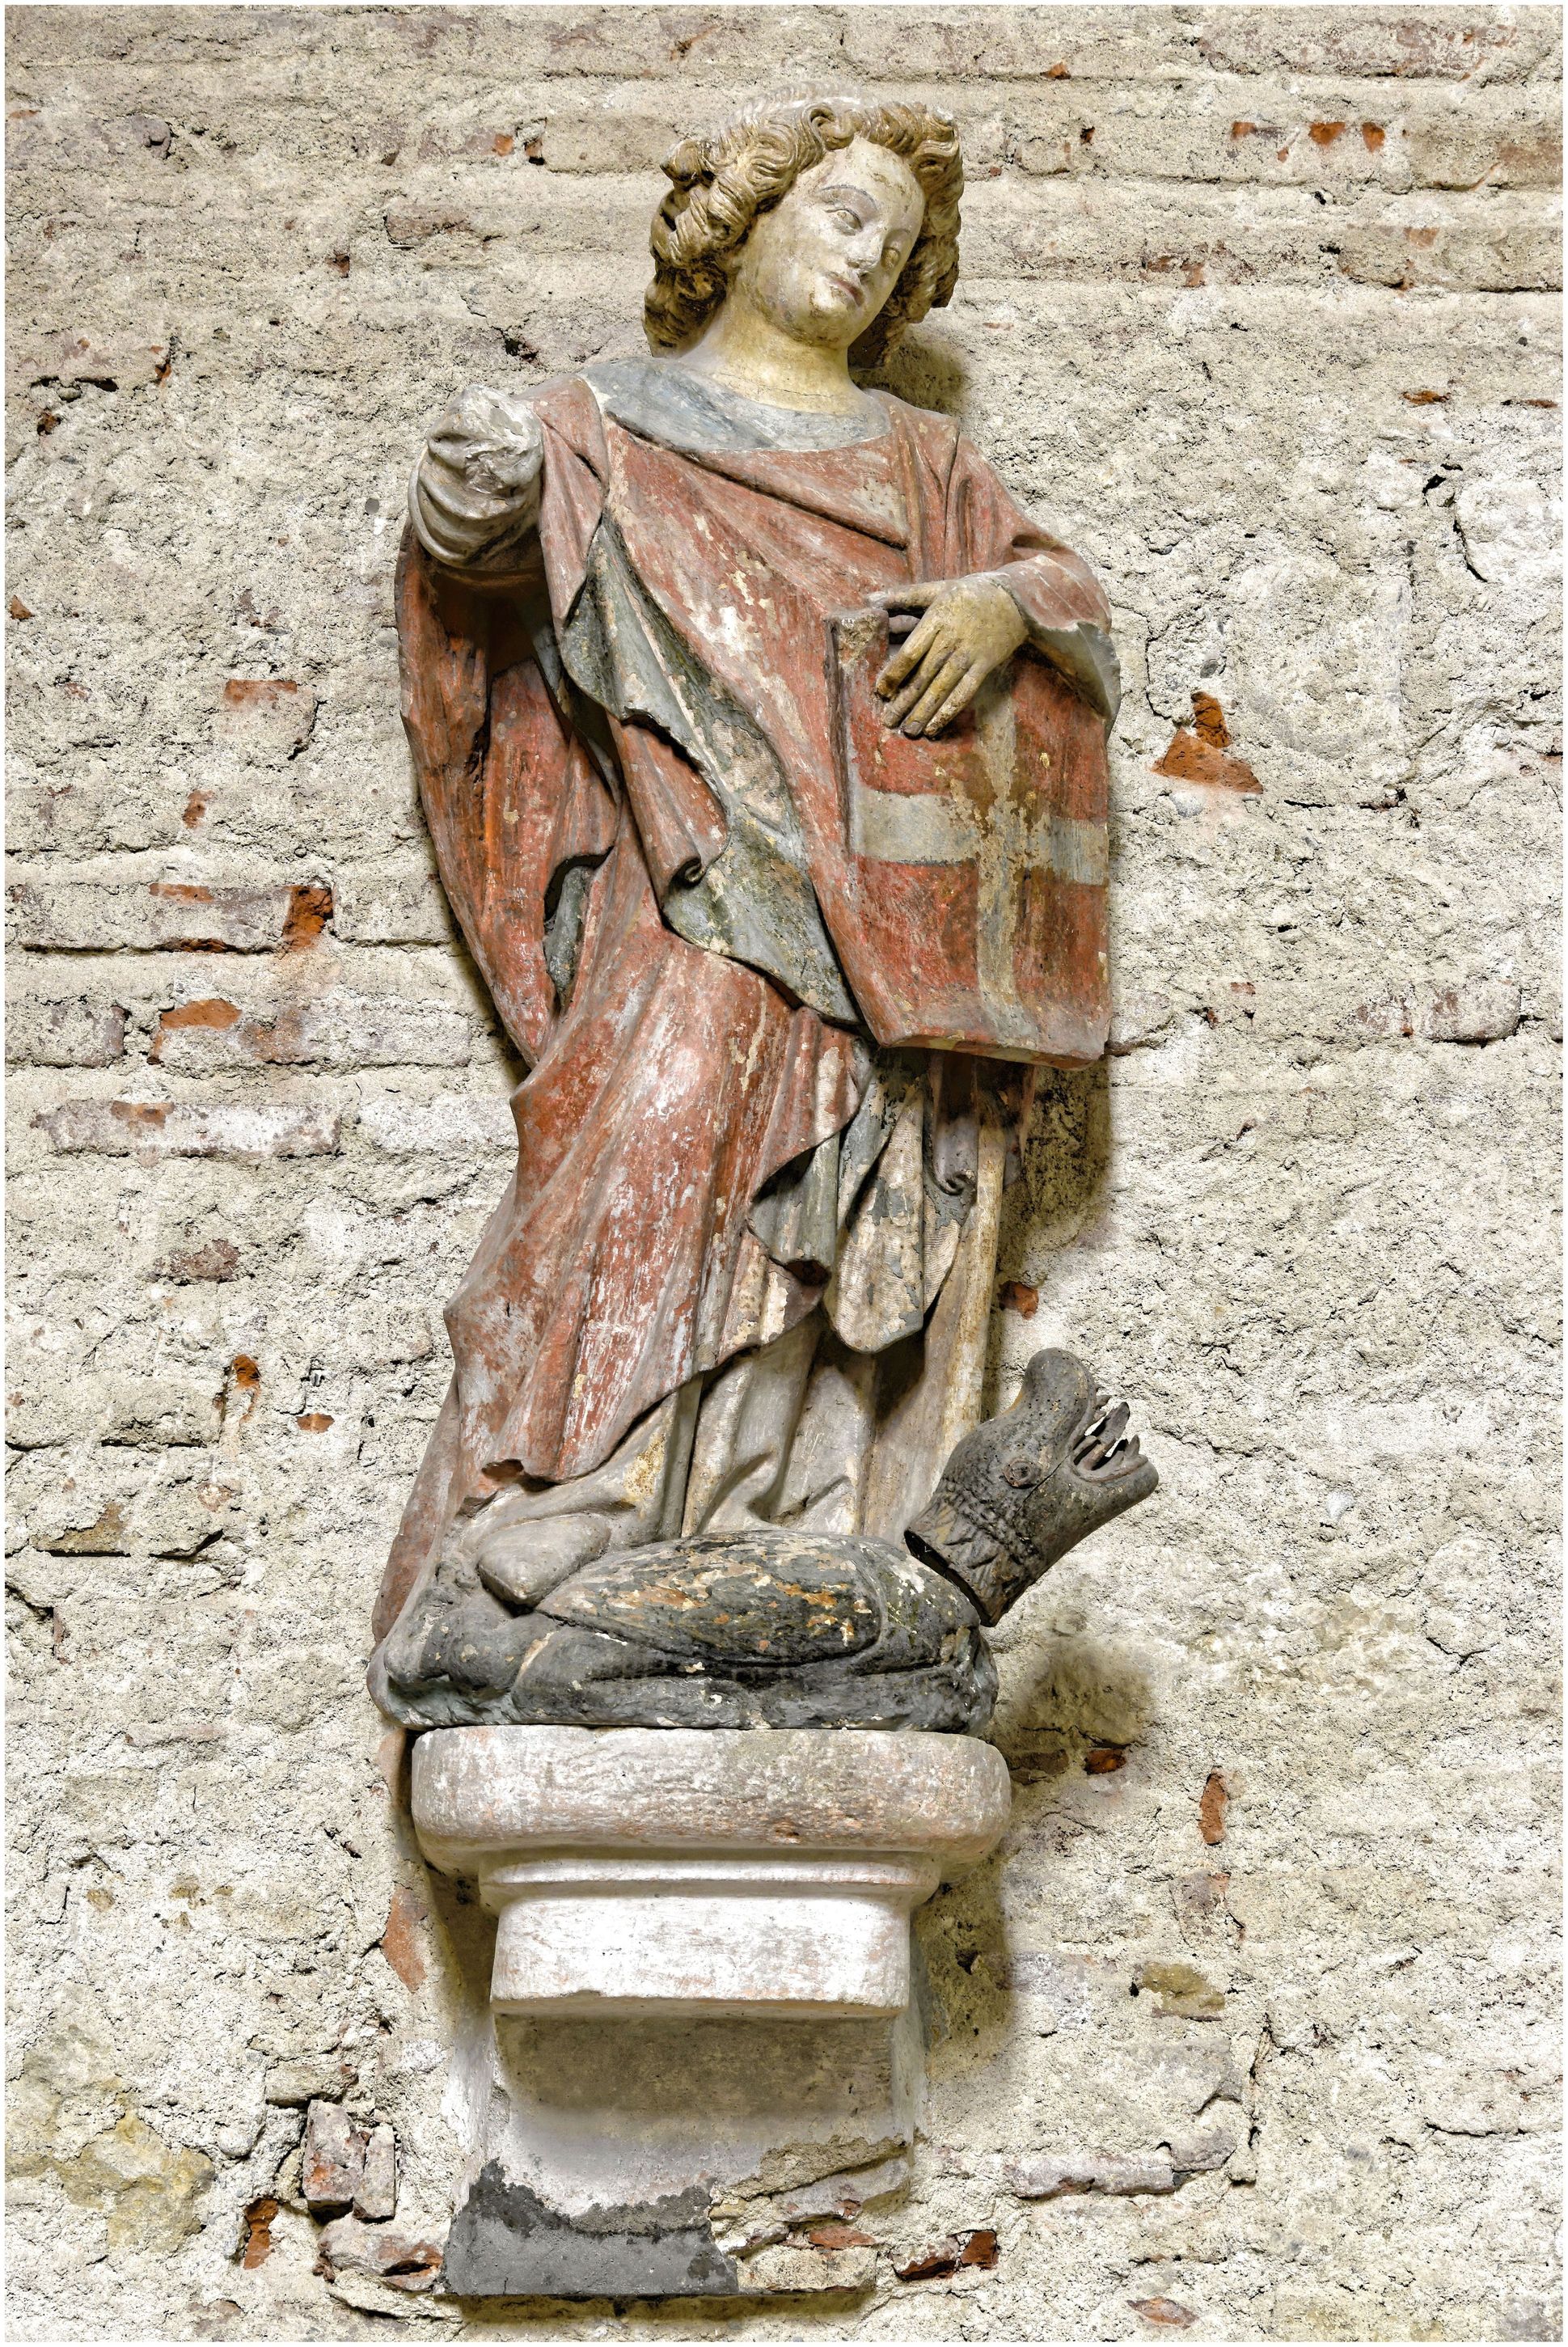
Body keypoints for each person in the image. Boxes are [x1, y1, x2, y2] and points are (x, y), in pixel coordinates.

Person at [370, 89, 1120, 1704]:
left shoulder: (922, 463)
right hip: (692, 903)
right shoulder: (599, 421)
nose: (863, 257)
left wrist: (1001, 608)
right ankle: (596, 1500)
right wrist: (476, 497)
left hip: (885, 954)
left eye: (898, 247)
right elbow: (485, 578)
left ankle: (757, 1528)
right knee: (649, 1145)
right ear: (748, 214)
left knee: (845, 1225)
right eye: (842, 211)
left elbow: (1066, 609)